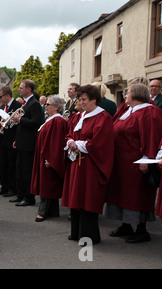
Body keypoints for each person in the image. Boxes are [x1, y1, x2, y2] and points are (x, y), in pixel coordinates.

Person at [105, 83, 162, 243]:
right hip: (122, 163)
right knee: (122, 195)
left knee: (137, 196)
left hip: (137, 164)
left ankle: (142, 230)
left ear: (136, 94)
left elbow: (152, 136)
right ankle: (126, 225)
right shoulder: (127, 110)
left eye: (128, 92)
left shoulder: (149, 112)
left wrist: (146, 158)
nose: (125, 95)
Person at [62, 84, 114, 245]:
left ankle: (89, 236)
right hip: (76, 164)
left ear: (94, 100)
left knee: (87, 198)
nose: (81, 102)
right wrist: (70, 140)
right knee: (76, 197)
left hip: (91, 165)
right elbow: (70, 133)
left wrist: (77, 144)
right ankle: (76, 233)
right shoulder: (79, 116)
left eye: (84, 99)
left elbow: (99, 143)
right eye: (80, 99)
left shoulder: (103, 117)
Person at [31, 96, 68, 222]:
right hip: (43, 156)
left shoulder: (58, 121)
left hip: (48, 158)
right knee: (47, 184)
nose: (45, 106)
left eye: (48, 104)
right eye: (46, 104)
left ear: (57, 107)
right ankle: (52, 211)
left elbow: (56, 143)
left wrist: (51, 159)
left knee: (47, 185)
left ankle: (43, 212)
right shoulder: (50, 119)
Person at [10, 79, 44, 206]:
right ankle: (20, 194)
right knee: (19, 171)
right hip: (21, 141)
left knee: (27, 172)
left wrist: (20, 120)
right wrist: (16, 139)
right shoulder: (25, 103)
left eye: (21, 87)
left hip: (29, 143)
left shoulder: (34, 103)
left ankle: (29, 197)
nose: (19, 89)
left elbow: (36, 122)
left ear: (28, 89)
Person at [0, 86, 22, 197]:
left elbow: (19, 126)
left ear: (7, 95)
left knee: (11, 165)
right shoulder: (2, 107)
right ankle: (4, 186)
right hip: (2, 139)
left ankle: (12, 187)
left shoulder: (18, 106)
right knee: (3, 165)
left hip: (12, 139)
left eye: (1, 96)